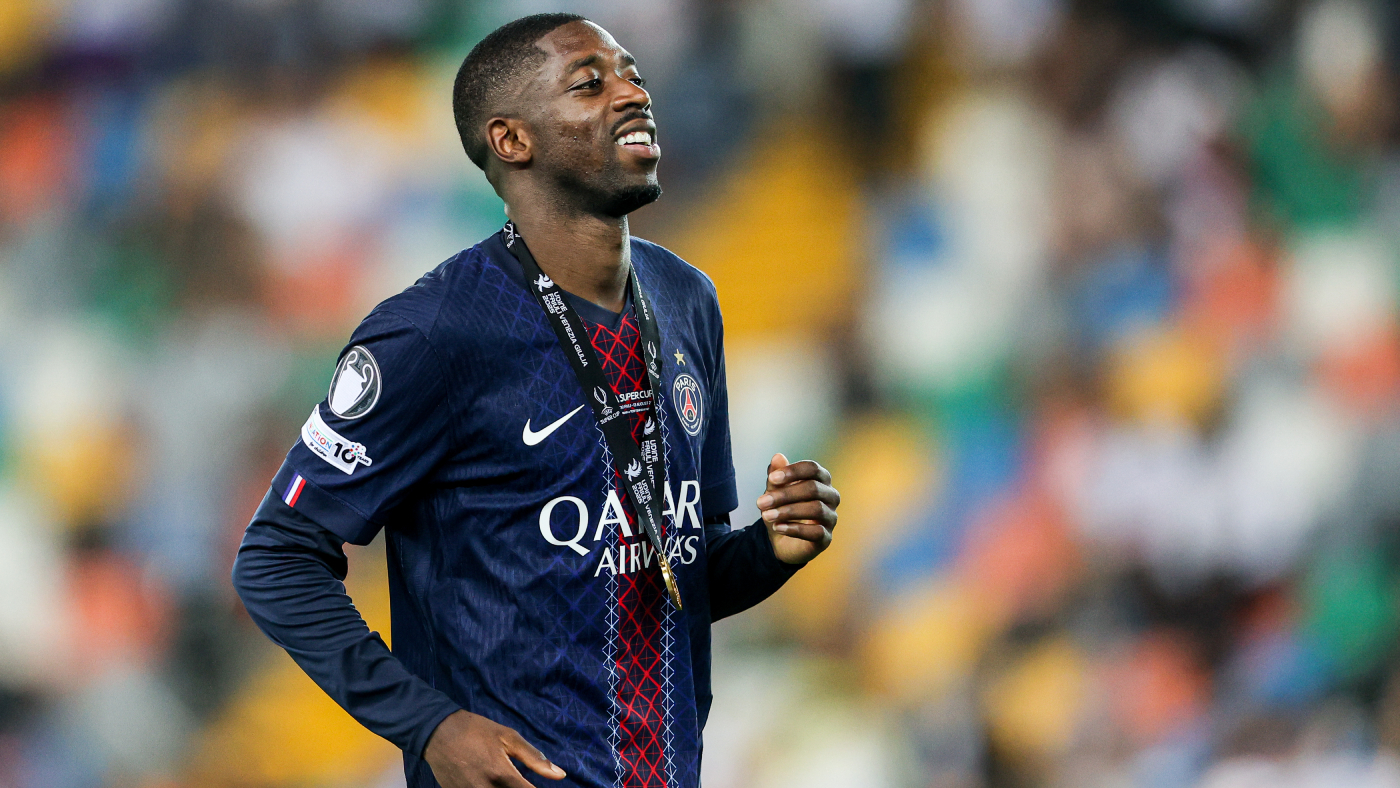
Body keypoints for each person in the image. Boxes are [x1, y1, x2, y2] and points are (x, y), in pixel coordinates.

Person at [231, 13, 840, 788]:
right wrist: (430, 724)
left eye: (633, 76)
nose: (633, 94)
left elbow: (671, 575)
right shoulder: (436, 332)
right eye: (590, 84)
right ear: (512, 140)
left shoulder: (687, 298)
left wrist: (769, 550)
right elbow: (276, 558)